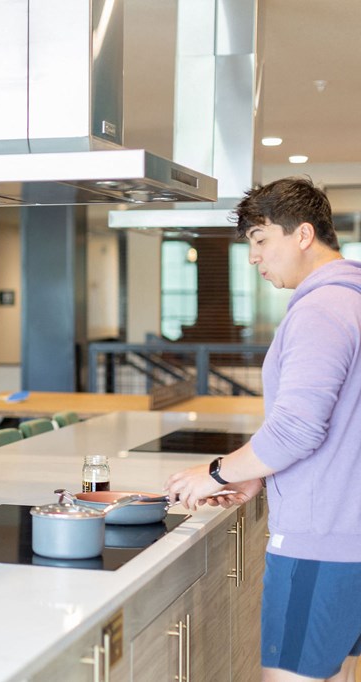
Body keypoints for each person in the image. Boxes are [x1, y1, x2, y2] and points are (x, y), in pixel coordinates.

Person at [164, 178, 361, 682]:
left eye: (259, 239)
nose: (254, 257)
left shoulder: (321, 310)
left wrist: (217, 472)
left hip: (324, 542)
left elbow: (298, 429)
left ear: (303, 234)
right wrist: (259, 474)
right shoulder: (352, 301)